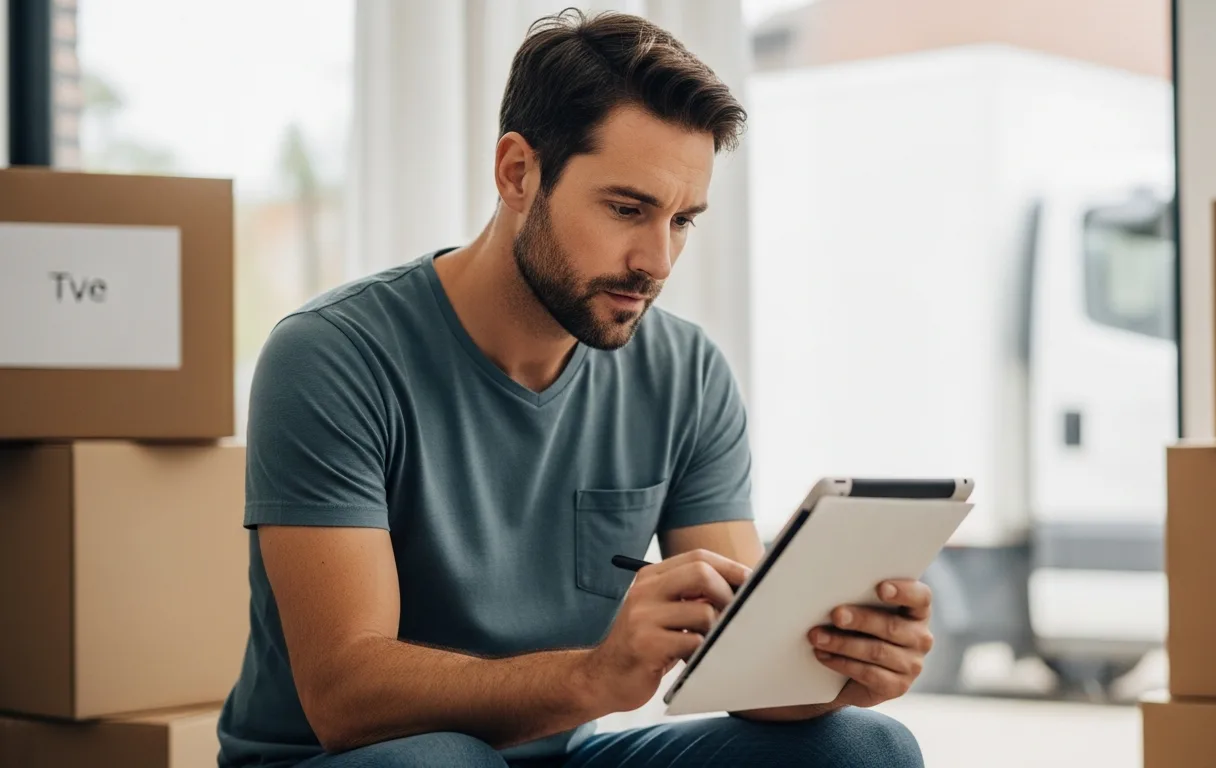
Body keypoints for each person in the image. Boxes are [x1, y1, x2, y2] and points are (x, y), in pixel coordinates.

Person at [216, 9, 932, 768]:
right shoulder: (333, 356)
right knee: (439, 764)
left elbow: (743, 666)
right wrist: (596, 676)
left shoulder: (685, 373)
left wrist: (839, 665)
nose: (657, 260)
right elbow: (346, 697)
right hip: (358, 761)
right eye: (627, 209)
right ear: (518, 173)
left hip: (556, 756)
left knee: (864, 748)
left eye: (683, 220)